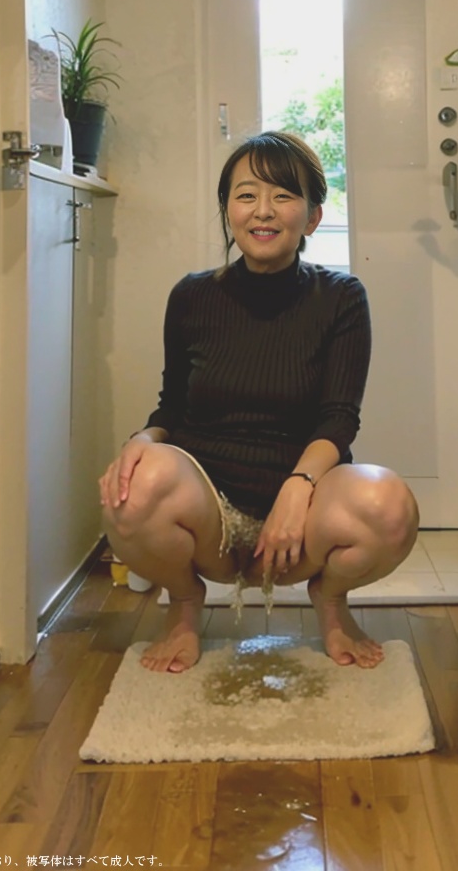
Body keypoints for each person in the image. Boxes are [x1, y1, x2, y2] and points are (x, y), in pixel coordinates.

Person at [99, 131, 419, 674]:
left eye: (283, 195)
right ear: (228, 211)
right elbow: (171, 406)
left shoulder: (341, 297)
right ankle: (184, 605)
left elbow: (338, 419)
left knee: (389, 507)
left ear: (312, 217)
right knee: (132, 485)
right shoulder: (192, 296)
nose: (263, 211)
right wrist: (142, 441)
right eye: (246, 195)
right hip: (211, 514)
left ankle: (331, 603)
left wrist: (297, 488)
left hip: (303, 517)